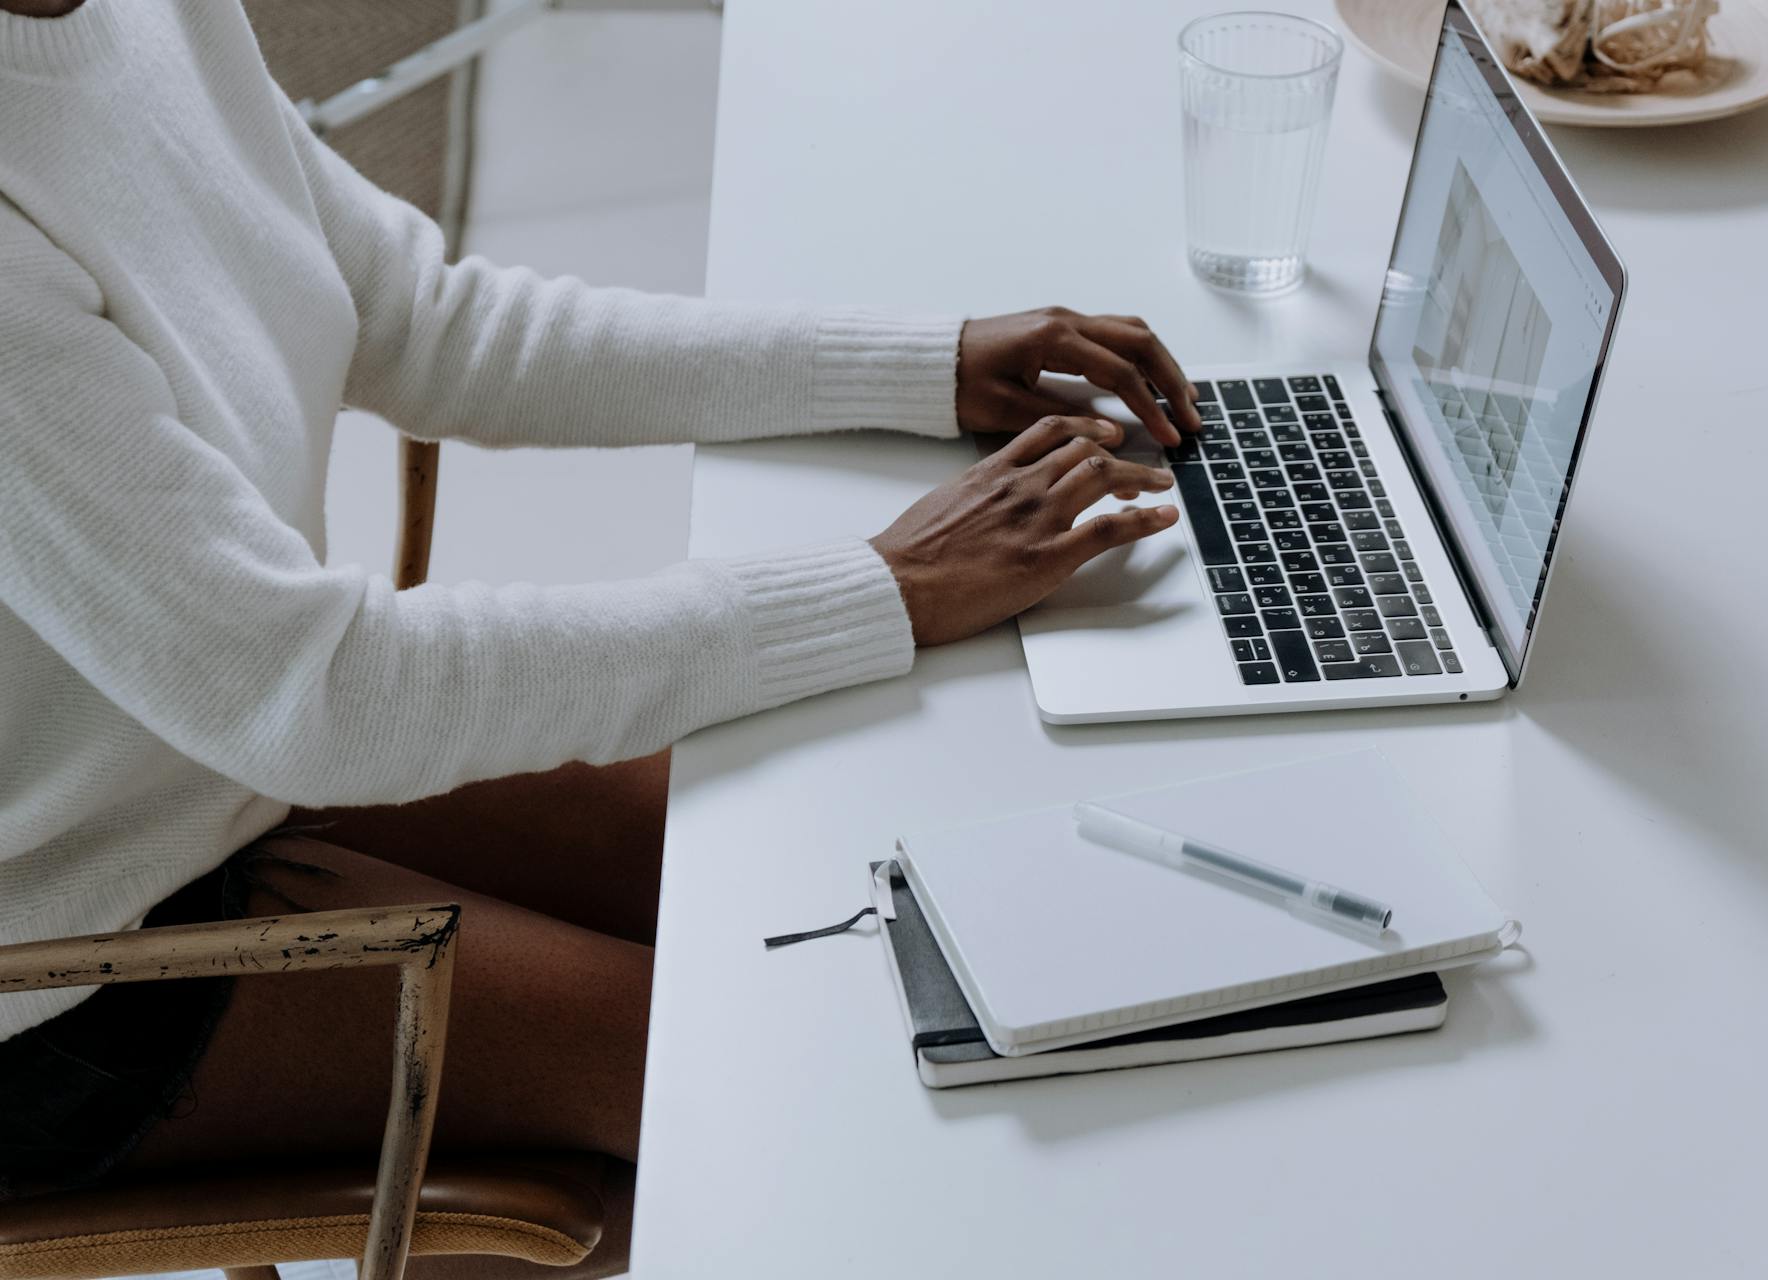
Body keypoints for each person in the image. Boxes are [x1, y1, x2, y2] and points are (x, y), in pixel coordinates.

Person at [0, 0, 1198, 1234]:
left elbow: (423, 317)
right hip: (53, 962)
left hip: (207, 742)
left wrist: (918, 364)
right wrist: (887, 583)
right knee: (758, 1095)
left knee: (825, 888)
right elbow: (324, 694)